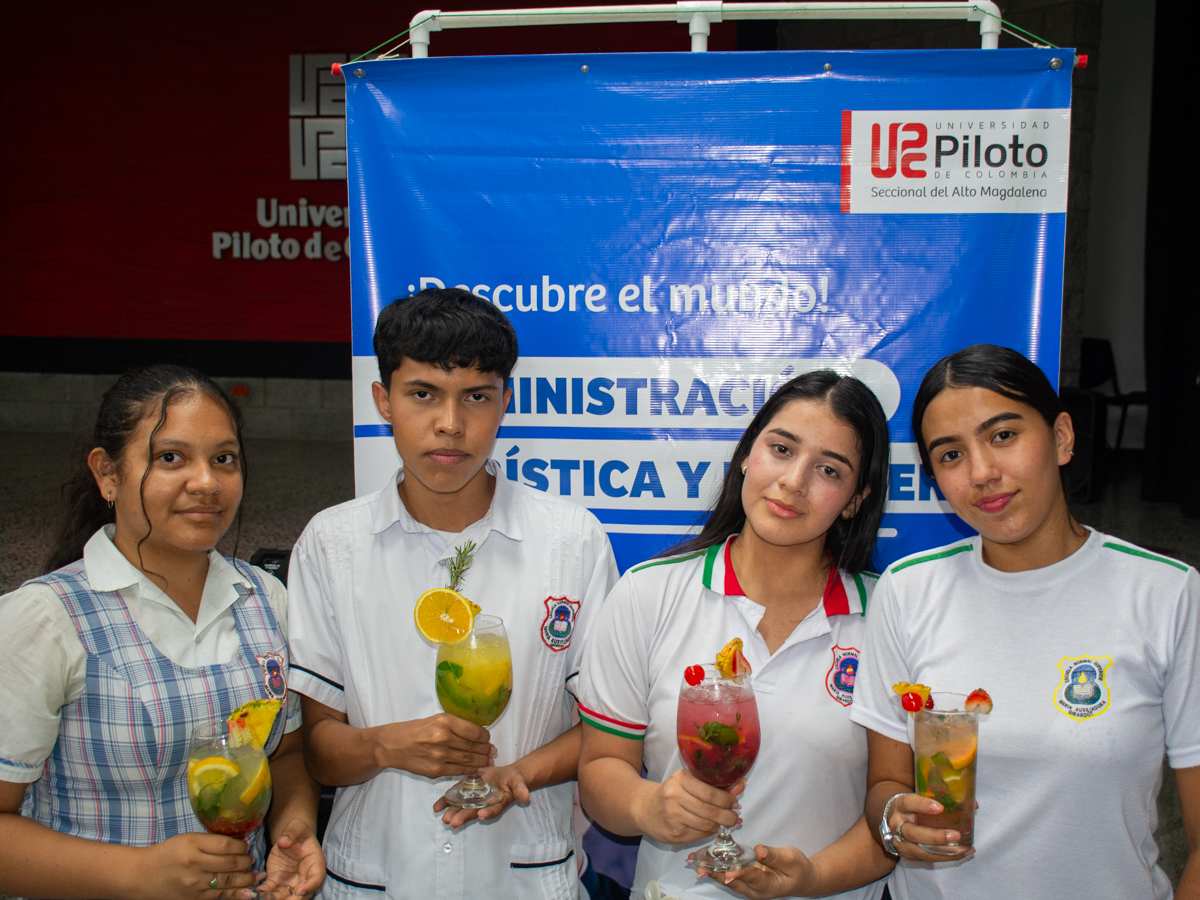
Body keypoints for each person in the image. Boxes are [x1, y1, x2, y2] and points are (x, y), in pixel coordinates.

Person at [287, 287, 619, 898]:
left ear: (505, 402)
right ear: (382, 400)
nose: (450, 423)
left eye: (476, 396)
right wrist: (386, 746)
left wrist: (518, 773)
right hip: (375, 875)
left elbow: (607, 733)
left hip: (525, 877)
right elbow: (319, 750)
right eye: (423, 394)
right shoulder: (332, 545)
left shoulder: (573, 541)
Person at [851, 344, 1200, 899]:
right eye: (951, 454)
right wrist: (896, 818)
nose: (982, 473)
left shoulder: (1167, 593)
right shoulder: (907, 589)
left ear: (1061, 437)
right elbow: (885, 784)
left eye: (1003, 435)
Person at [0, 364, 325, 899]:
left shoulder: (265, 599)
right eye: (170, 457)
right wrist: (138, 873)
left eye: (224, 459)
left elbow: (286, 754)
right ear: (107, 474)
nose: (206, 483)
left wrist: (294, 827)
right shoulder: (46, 618)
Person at [578, 370, 895, 899]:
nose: (793, 481)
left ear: (855, 499)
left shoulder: (887, 614)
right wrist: (646, 806)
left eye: (829, 470)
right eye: (781, 449)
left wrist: (812, 878)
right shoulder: (649, 593)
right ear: (747, 455)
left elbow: (894, 812)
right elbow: (601, 769)